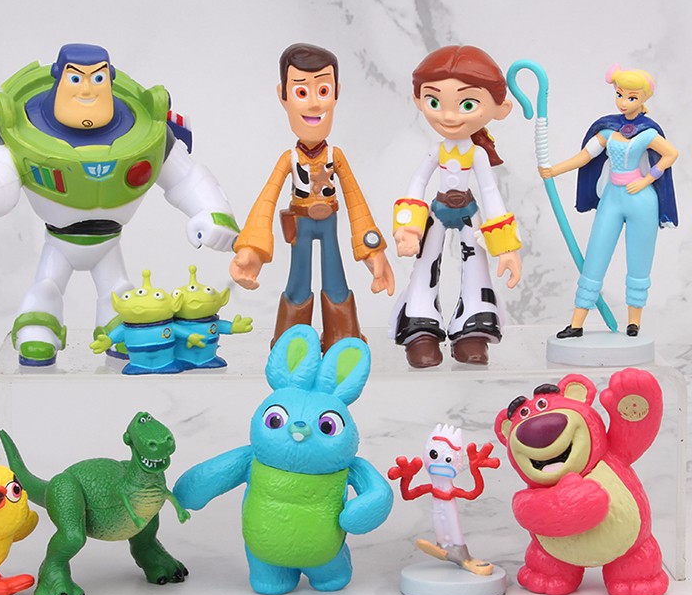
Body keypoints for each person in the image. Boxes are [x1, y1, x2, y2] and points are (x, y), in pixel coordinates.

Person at [0, 43, 238, 366]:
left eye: (98, 79)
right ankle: (39, 326)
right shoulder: (23, 129)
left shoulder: (146, 131)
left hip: (108, 240)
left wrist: (213, 214)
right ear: (60, 77)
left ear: (109, 78)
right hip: (60, 240)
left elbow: (186, 177)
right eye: (76, 78)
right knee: (47, 286)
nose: (87, 91)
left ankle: (117, 327)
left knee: (117, 291)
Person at [230, 43, 394, 350]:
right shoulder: (289, 158)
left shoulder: (335, 156)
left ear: (336, 93)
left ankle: (343, 337)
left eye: (323, 90)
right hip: (301, 223)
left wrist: (372, 250)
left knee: (335, 277)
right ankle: (292, 342)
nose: (315, 104)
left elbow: (357, 203)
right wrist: (252, 249)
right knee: (298, 279)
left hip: (329, 221)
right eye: (302, 92)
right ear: (283, 96)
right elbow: (266, 201)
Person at [391, 45, 522, 368]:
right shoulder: (436, 150)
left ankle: (472, 329)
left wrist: (506, 246)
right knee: (425, 265)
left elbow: (490, 192)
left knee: (476, 266)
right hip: (437, 210)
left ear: (500, 109)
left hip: (468, 212)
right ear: (418, 100)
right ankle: (420, 327)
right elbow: (417, 183)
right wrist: (408, 228)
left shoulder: (477, 154)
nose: (449, 116)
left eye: (467, 104)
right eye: (435, 102)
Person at [539, 65, 678, 338]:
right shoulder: (608, 131)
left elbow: (671, 154)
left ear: (643, 99)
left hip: (642, 201)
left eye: (631, 97)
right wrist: (554, 170)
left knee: (639, 260)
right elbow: (585, 156)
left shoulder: (648, 132)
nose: (623, 102)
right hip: (612, 199)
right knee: (595, 256)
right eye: (619, 95)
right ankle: (577, 322)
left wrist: (648, 179)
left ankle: (634, 322)